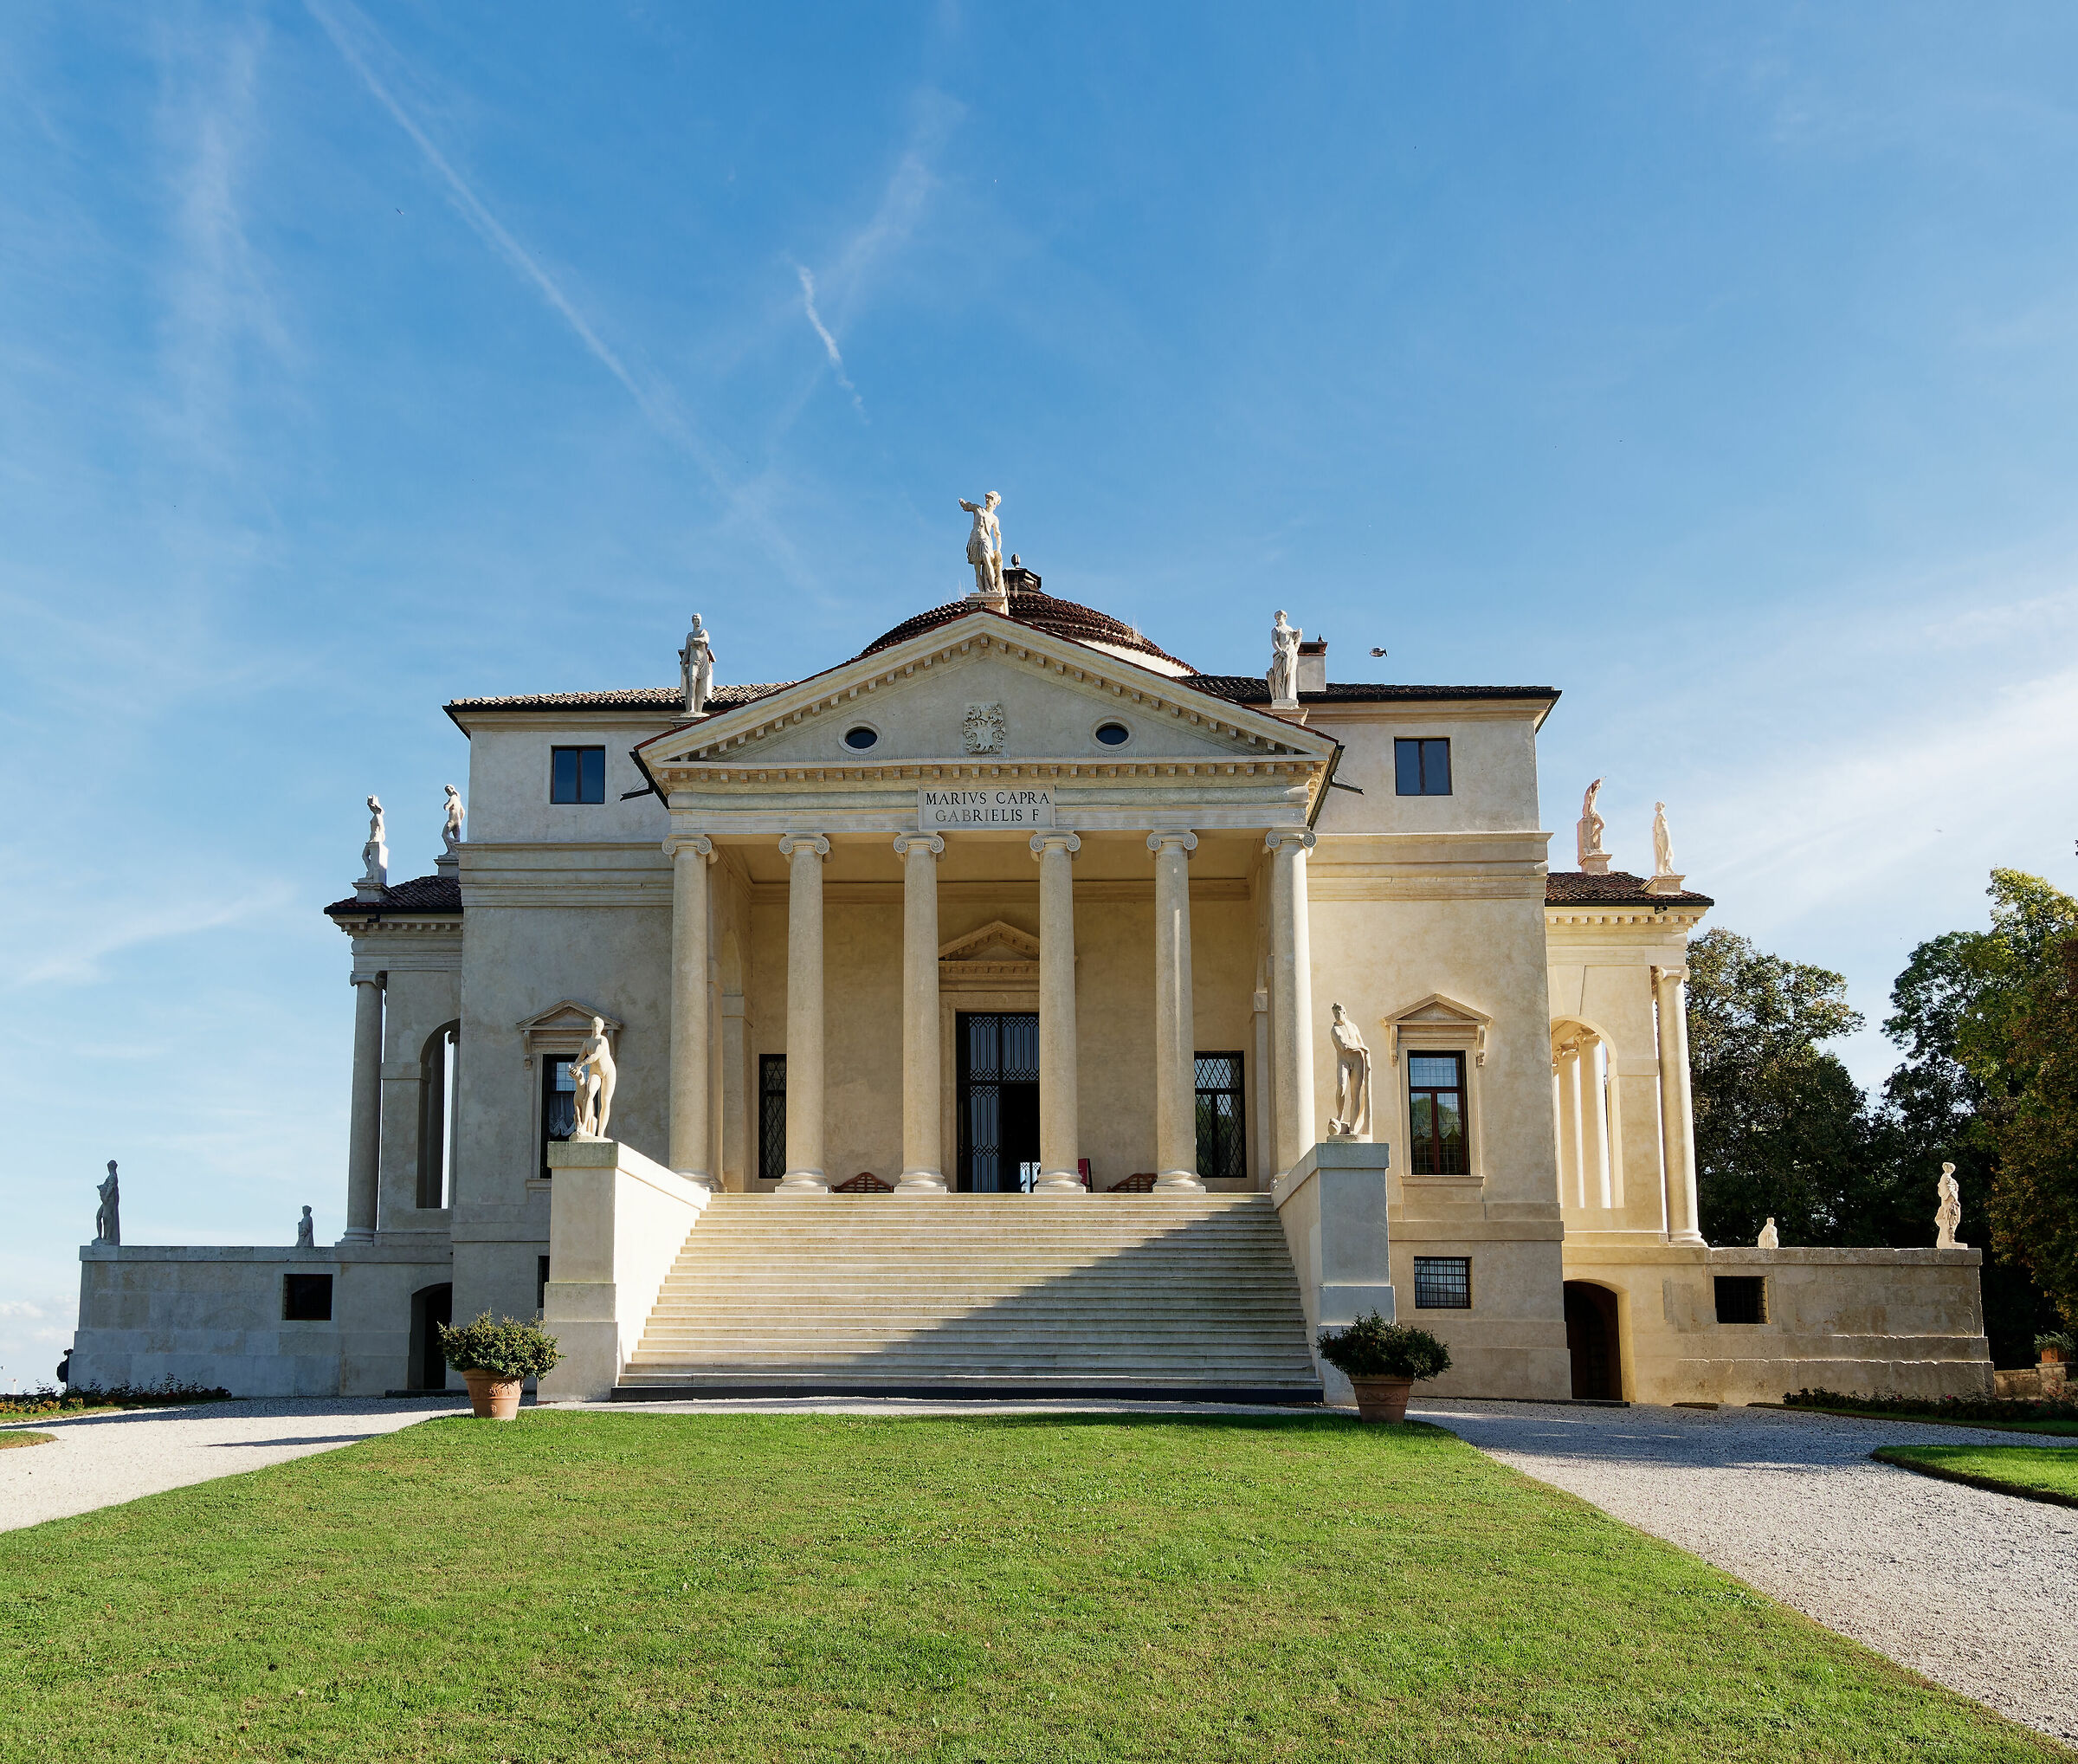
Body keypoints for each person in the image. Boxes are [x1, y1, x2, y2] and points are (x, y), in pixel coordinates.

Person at [1330, 1003, 1371, 1139]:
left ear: (1344, 1012)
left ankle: (1353, 1127)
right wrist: (1362, 1048)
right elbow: (1344, 1046)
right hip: (1344, 1060)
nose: (1336, 1016)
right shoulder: (1335, 1030)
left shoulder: (1353, 1027)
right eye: (1334, 1014)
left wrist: (1363, 1050)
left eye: (1338, 1013)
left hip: (1357, 1060)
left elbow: (1360, 1042)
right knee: (1341, 1087)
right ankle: (1340, 1115)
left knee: (1356, 1094)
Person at [959, 493, 1004, 600]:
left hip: (985, 539)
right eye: (987, 498)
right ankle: (982, 591)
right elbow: (967, 507)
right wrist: (963, 503)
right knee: (977, 568)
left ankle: (992, 588)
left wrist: (998, 549)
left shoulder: (994, 518)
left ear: (994, 503)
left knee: (987, 560)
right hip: (975, 538)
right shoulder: (978, 509)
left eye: (990, 498)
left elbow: (997, 534)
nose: (987, 500)